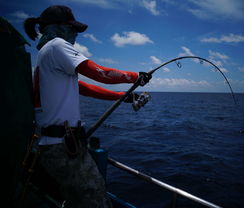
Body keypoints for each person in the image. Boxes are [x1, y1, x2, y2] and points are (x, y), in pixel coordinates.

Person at [23, 5, 151, 208]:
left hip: (51, 146)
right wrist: (136, 77)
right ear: (56, 27)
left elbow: (84, 87)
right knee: (94, 198)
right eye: (71, 27)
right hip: (64, 147)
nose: (75, 33)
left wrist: (123, 97)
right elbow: (98, 72)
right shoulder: (57, 46)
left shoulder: (43, 57)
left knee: (73, 199)